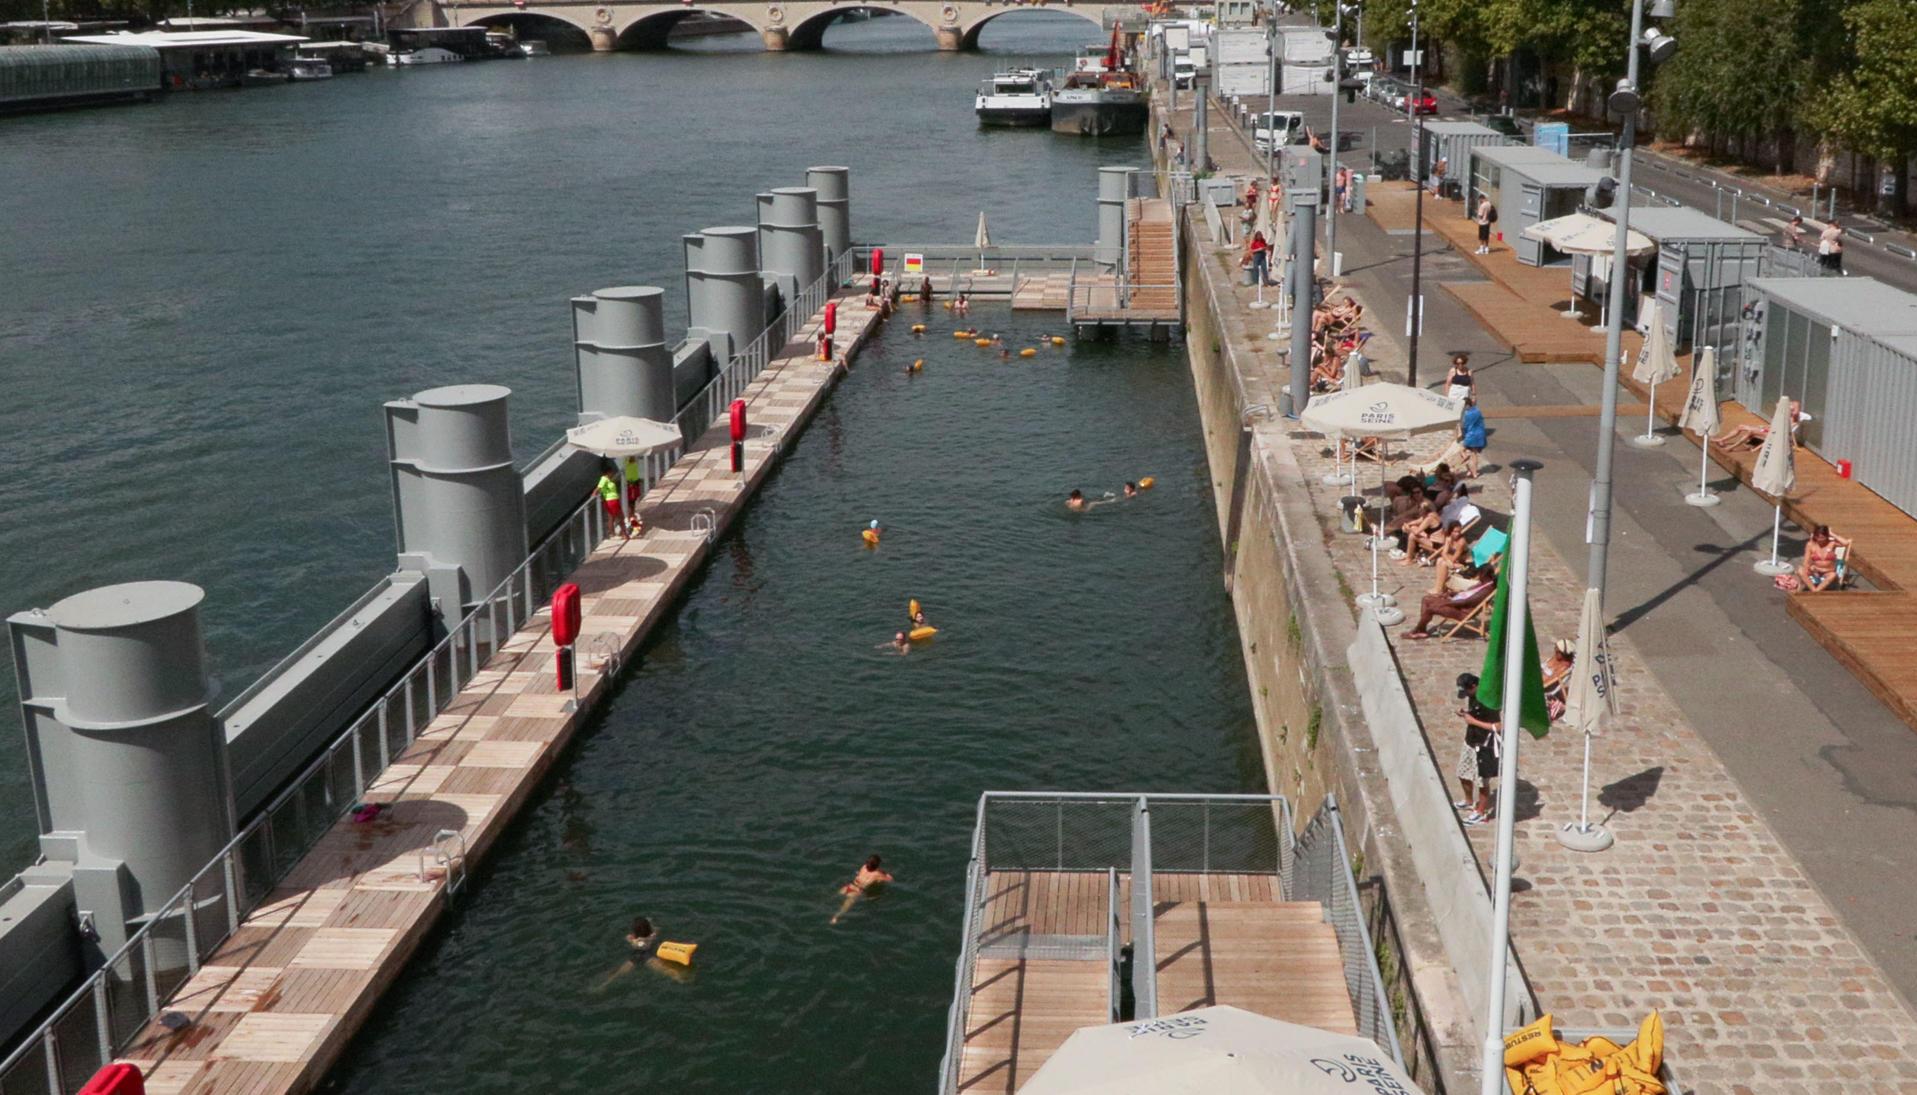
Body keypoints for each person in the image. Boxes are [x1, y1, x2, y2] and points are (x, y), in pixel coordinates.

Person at [1452, 673, 1501, 824]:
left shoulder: (1489, 701)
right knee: (1463, 773)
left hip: (1484, 745)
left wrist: (1473, 721)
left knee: (1482, 781)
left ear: (1474, 686)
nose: (1466, 695)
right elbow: (1476, 714)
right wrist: (1466, 714)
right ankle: (1468, 801)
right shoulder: (1473, 696)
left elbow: (1499, 726)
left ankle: (1480, 811)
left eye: (1467, 691)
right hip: (1471, 740)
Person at [1405, 575, 1495, 640]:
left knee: (1430, 609)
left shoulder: (1486, 590)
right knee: (1426, 599)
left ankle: (1417, 630)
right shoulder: (1482, 584)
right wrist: (1452, 594)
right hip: (1457, 605)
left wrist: (1446, 603)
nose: (1479, 575)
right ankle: (1422, 629)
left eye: (1481, 573)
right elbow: (1465, 594)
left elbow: (1466, 602)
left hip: (1463, 612)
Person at [831, 855, 894, 924]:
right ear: (877, 865)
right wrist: (884, 873)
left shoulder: (864, 867)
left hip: (849, 886)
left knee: (833, 898)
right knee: (844, 908)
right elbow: (890, 879)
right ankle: (835, 917)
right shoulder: (878, 875)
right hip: (856, 892)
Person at [1798, 524, 1853, 592]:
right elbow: (1806, 561)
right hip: (1815, 571)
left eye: (1822, 537)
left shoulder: (1832, 543)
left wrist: (1832, 534)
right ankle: (1814, 590)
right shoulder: (1810, 545)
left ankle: (1816, 590)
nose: (1819, 539)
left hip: (1828, 572)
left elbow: (1846, 543)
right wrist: (1808, 570)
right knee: (1800, 570)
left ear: (1827, 536)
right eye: (1817, 537)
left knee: (1833, 575)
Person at [594, 467, 627, 540]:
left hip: (614, 500)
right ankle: (619, 533)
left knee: (615, 517)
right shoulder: (604, 479)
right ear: (608, 472)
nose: (612, 474)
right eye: (611, 472)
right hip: (610, 501)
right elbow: (598, 488)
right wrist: (593, 495)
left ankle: (617, 533)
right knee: (618, 517)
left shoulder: (608, 479)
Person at [1458, 397, 1487, 477]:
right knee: (1474, 454)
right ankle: (1474, 473)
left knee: (1461, 450)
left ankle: (1470, 469)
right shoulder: (1477, 410)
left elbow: (1466, 426)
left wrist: (1463, 435)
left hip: (1471, 435)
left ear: (1466, 405)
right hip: (1480, 435)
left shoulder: (1467, 414)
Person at [622, 456, 645, 535]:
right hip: (632, 485)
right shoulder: (629, 463)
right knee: (631, 506)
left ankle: (632, 521)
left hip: (634, 485)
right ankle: (632, 523)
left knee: (632, 505)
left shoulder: (632, 463)